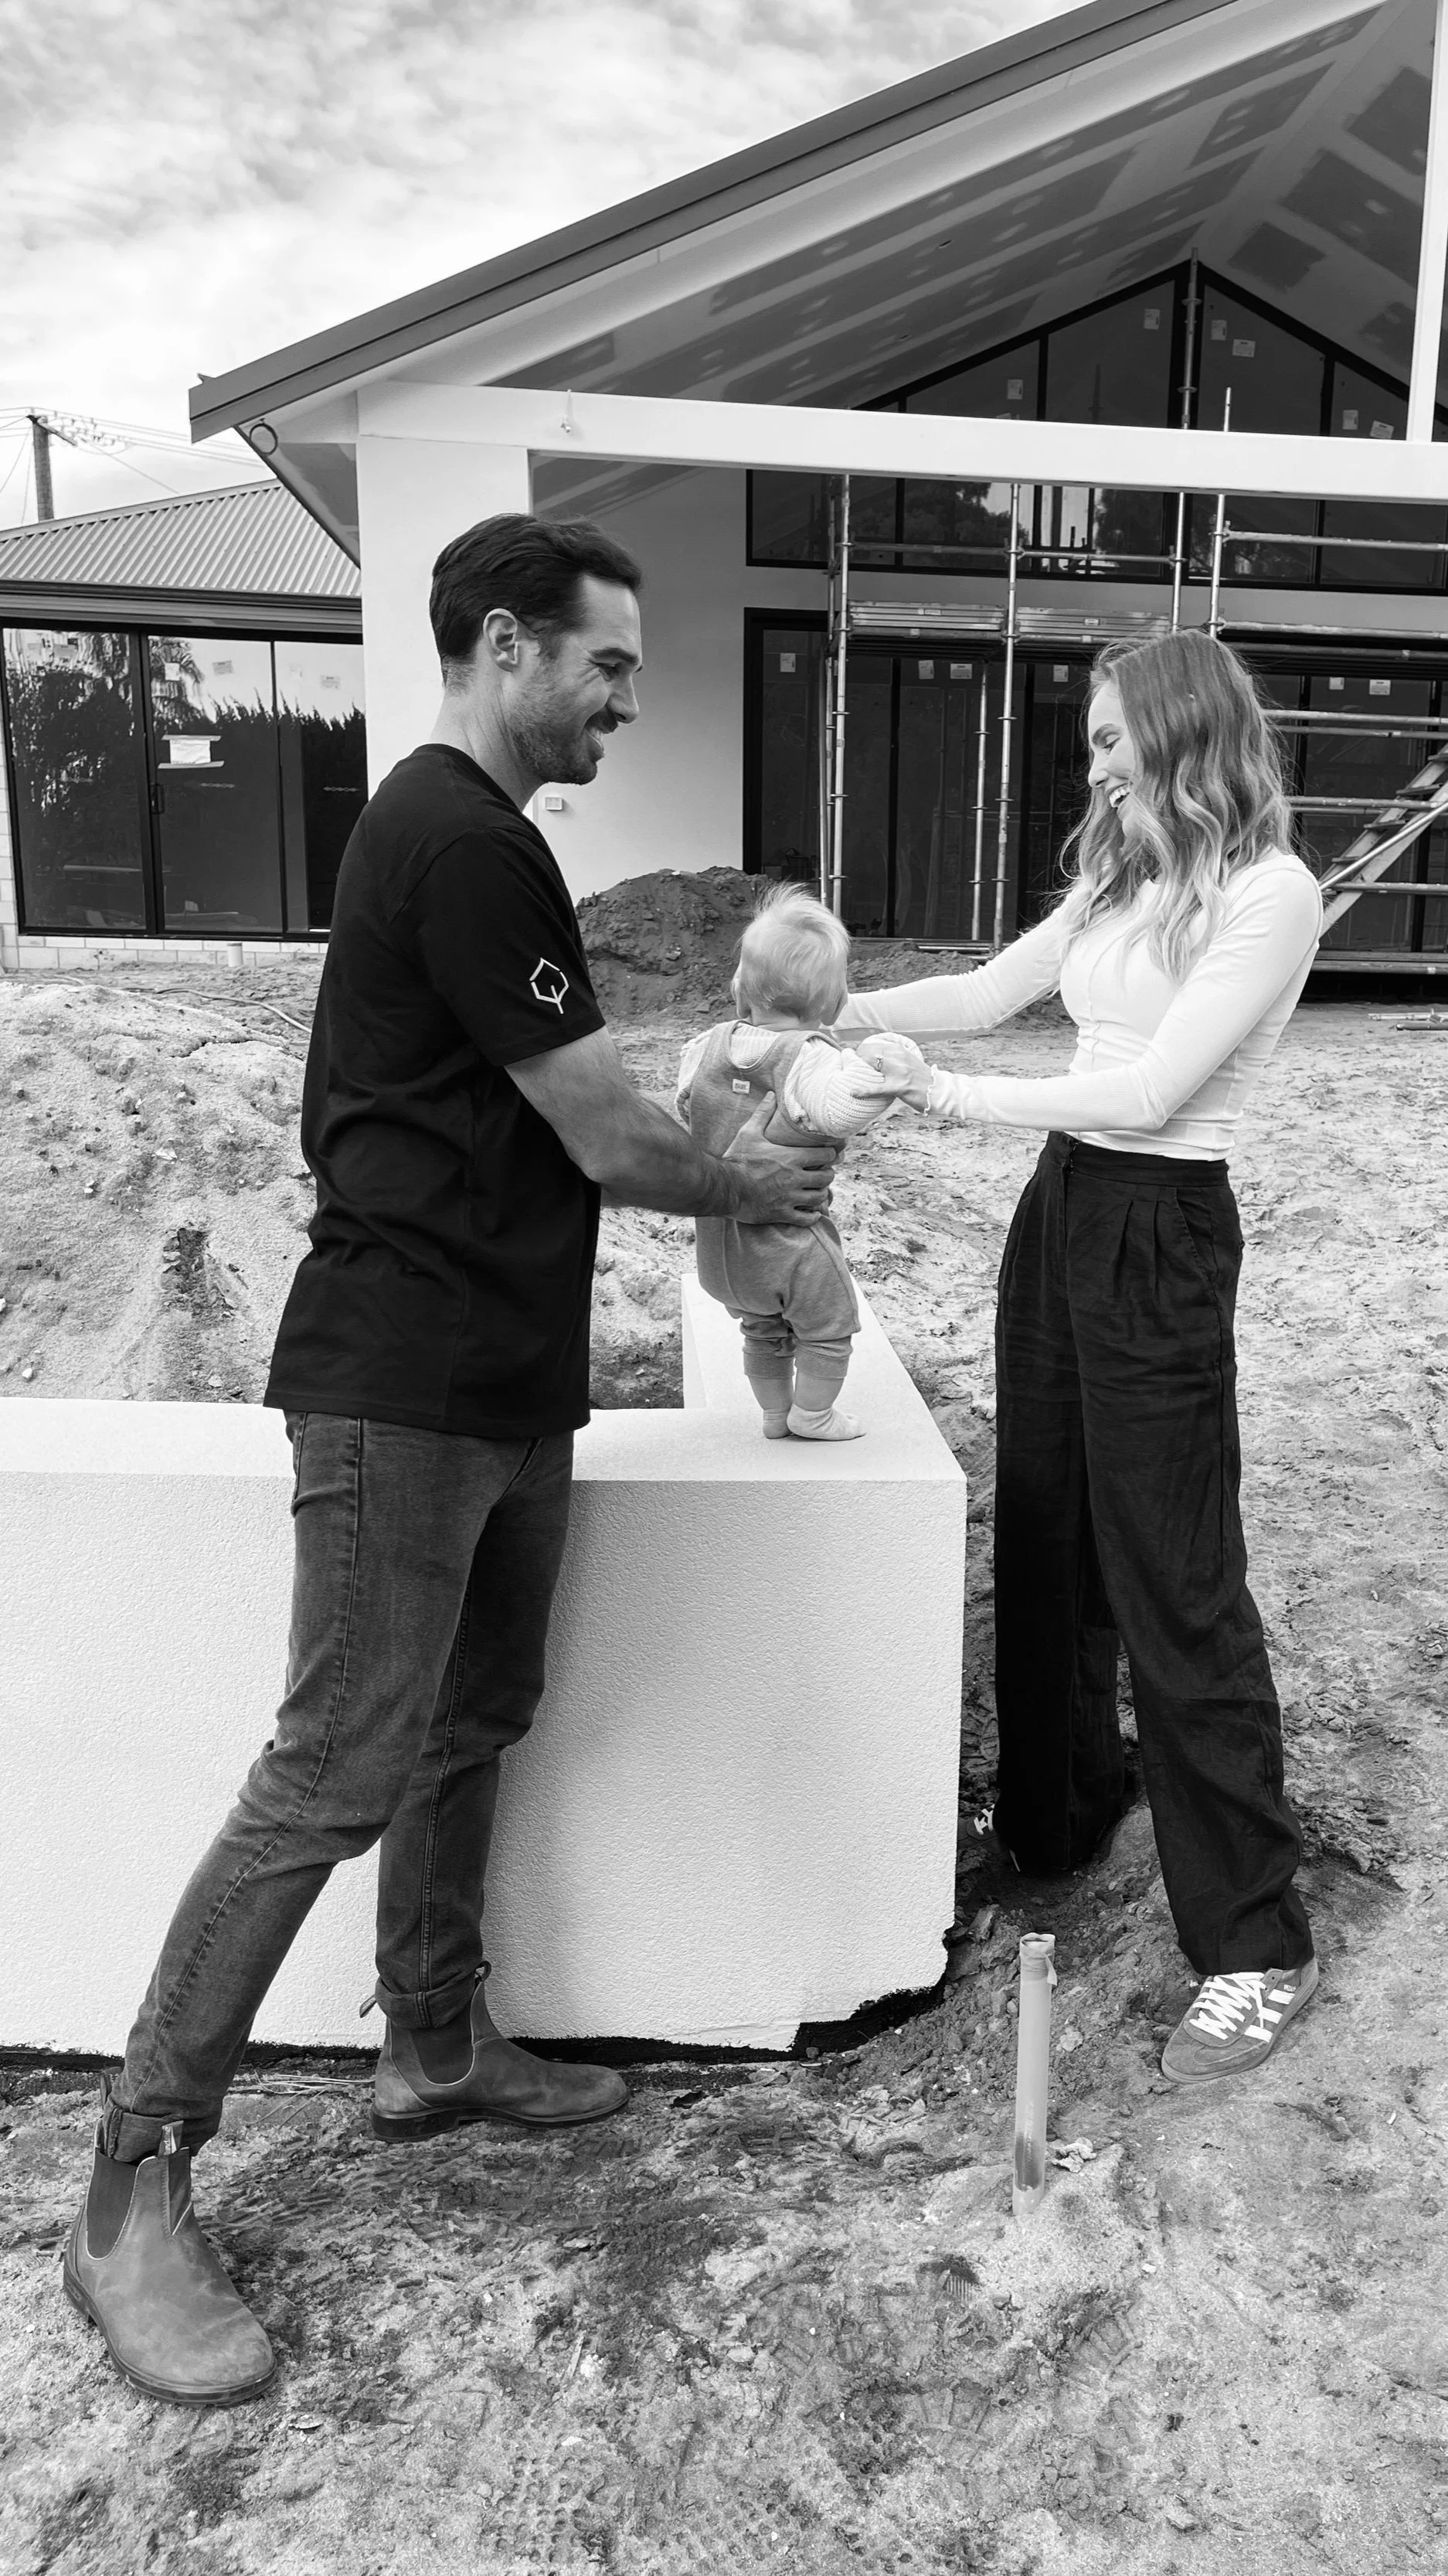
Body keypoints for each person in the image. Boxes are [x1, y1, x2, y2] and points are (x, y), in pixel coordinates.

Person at [63, 512, 837, 2410]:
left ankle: (429, 2043)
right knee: (333, 1757)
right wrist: (751, 1172)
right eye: (602, 667)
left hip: (502, 1378)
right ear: (503, 648)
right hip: (399, 1382)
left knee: (476, 1707)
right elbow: (594, 1127)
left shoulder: (483, 849)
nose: (620, 704)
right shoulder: (456, 836)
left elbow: (558, 1090)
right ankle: (125, 2185)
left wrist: (720, 1097)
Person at [841, 630, 1323, 2091]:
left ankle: (1253, 1940)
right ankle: (1058, 1814)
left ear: (1182, 736)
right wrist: (834, 1009)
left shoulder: (1268, 892)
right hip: (1060, 1212)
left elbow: (1151, 1085)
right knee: (1044, 1520)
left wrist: (939, 1101)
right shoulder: (1123, 866)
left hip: (1160, 1219)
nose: (1091, 759)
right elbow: (990, 989)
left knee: (1172, 1570)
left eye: (1112, 737)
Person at [676, 884, 926, 1441]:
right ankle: (813, 1414)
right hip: (789, 1240)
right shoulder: (812, 1058)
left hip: (720, 1246)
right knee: (829, 1326)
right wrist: (883, 1059)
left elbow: (684, 1105)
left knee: (761, 1328)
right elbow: (840, 1111)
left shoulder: (704, 1047)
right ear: (834, 1006)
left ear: (740, 991)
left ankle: (773, 1414)